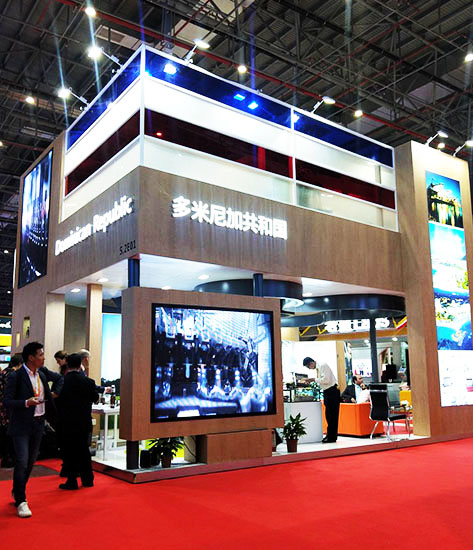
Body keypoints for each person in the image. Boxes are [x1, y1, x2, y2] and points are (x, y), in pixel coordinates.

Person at [4, 342, 56, 518]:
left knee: (31, 461)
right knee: (22, 460)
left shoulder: (42, 374)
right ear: (31, 357)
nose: (43, 358)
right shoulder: (16, 376)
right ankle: (21, 499)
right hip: (21, 424)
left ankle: (18, 489)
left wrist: (54, 395)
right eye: (40, 354)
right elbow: (7, 401)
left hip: (39, 423)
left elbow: (59, 380)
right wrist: (26, 402)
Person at [56, 353, 99, 490]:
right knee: (84, 450)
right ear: (80, 364)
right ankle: (88, 479)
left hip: (67, 422)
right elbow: (95, 398)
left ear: (67, 365)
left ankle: (72, 480)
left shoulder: (62, 381)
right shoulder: (89, 382)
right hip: (84, 421)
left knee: (69, 451)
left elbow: (57, 401)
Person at [303, 357, 340, 443]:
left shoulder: (323, 365)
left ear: (311, 363)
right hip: (327, 391)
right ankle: (330, 435)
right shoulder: (319, 367)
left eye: (308, 367)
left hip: (332, 391)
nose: (309, 368)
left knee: (332, 416)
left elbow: (326, 380)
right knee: (329, 415)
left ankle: (332, 437)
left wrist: (313, 380)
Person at [0, 354, 24, 468]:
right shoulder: (14, 375)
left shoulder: (3, 372)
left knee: (3, 433)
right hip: (10, 408)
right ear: (20, 364)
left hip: (2, 407)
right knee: (11, 435)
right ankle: (11, 458)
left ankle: (5, 458)